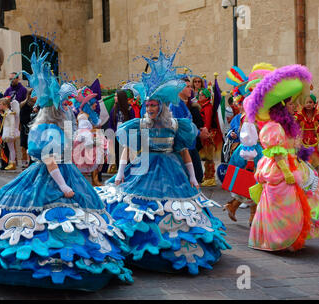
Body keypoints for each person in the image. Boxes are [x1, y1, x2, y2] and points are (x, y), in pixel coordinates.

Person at [0, 48, 133, 291]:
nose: (67, 108)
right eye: (64, 104)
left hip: (66, 172)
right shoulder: (47, 128)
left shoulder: (59, 124)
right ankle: (39, 260)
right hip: (54, 176)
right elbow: (50, 160)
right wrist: (63, 186)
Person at [96, 47, 230, 275]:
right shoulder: (139, 124)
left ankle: (177, 248)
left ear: (162, 106)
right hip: (144, 169)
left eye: (153, 105)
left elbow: (185, 151)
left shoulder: (175, 125)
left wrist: (191, 177)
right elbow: (127, 148)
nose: (149, 109)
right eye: (147, 105)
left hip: (171, 170)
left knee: (174, 208)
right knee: (140, 207)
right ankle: (142, 246)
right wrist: (119, 173)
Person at [243, 64, 319, 252]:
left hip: (291, 165)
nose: (295, 106)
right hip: (280, 170)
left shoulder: (285, 125)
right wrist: (286, 172)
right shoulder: (273, 127)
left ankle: (289, 238)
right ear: (283, 106)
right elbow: (277, 154)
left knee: (296, 204)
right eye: (291, 103)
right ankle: (277, 239)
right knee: (282, 206)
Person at [170, 78, 209, 184]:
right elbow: (182, 127)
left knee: (197, 176)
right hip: (183, 147)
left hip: (190, 145)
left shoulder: (182, 104)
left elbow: (188, 124)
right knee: (192, 178)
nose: (190, 89)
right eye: (187, 86)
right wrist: (200, 134)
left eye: (190, 86)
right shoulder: (176, 105)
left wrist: (199, 130)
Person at [198, 88, 223, 187]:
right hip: (208, 134)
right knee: (207, 157)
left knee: (209, 157)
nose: (200, 97)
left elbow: (207, 122)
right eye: (199, 95)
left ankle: (211, 178)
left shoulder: (208, 107)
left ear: (207, 96)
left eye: (202, 95)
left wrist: (205, 133)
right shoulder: (204, 106)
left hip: (209, 135)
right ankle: (207, 176)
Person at [295, 94, 319, 172]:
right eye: (306, 102)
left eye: (310, 102)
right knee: (304, 164)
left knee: (317, 164)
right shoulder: (299, 115)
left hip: (316, 143)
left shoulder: (318, 114)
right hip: (302, 142)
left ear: (314, 103)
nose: (308, 104)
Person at [0, 97, 19, 170]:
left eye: (0, 104)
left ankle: (12, 163)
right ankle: (11, 162)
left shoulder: (10, 113)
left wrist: (12, 134)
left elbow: (13, 123)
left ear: (5, 105)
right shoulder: (6, 112)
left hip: (9, 132)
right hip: (6, 131)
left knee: (11, 148)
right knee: (10, 148)